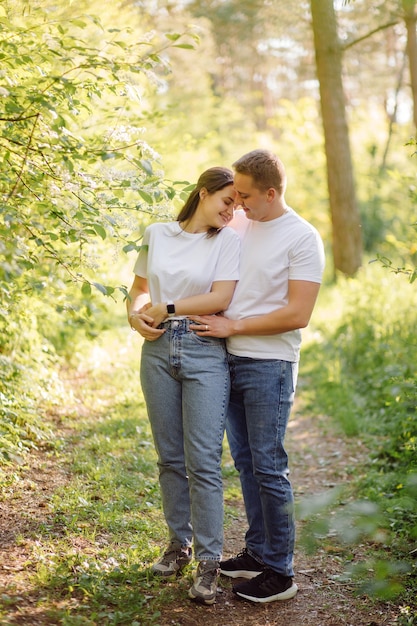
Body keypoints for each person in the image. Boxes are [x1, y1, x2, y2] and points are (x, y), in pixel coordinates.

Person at [190, 149, 325, 604]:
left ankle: (281, 572)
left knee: (269, 466)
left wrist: (234, 325)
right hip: (227, 360)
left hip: (270, 364)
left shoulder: (302, 237)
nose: (238, 204)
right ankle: (258, 551)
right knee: (246, 463)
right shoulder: (241, 225)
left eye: (246, 196)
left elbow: (298, 313)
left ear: (271, 193)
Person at [126, 167, 240, 605]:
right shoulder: (156, 233)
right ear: (203, 192)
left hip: (202, 347)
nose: (232, 211)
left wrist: (164, 306)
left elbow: (220, 298)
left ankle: (210, 561)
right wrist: (136, 318)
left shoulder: (227, 241)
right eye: (226, 201)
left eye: (236, 204)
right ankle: (179, 545)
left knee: (204, 460)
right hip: (156, 350)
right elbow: (136, 290)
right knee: (169, 457)